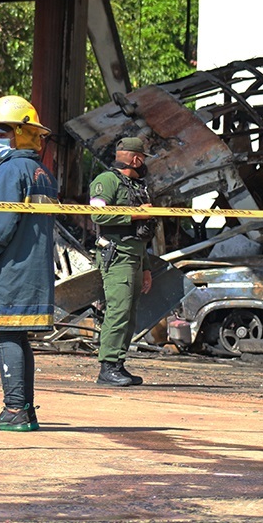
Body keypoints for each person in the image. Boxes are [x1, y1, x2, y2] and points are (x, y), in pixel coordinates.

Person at [0, 96, 59, 432]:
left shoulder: (9, 170)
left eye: (2, 132)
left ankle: (15, 409)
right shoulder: (41, 172)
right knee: (18, 337)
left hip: (9, 270)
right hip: (31, 269)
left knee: (5, 335)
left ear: (22, 133)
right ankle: (24, 409)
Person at [89, 136, 155, 387]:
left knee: (128, 313)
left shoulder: (135, 184)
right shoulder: (106, 181)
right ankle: (107, 368)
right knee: (118, 311)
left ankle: (118, 364)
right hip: (118, 257)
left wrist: (146, 267)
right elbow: (97, 213)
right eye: (143, 159)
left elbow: (139, 232)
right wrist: (136, 213)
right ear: (136, 159)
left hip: (135, 255)